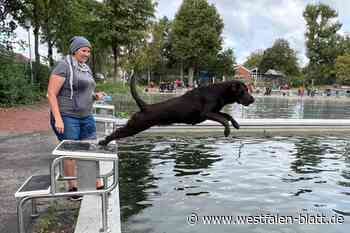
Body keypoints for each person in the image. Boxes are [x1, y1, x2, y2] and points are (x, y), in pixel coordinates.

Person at [47, 36, 105, 198]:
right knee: (71, 152)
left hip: (86, 115)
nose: (87, 54)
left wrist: (95, 96)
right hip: (68, 116)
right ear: (75, 50)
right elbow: (51, 93)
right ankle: (72, 187)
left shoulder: (85, 68)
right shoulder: (63, 66)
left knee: (91, 149)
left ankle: (95, 181)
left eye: (88, 51)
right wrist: (58, 118)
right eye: (83, 50)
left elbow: (84, 91)